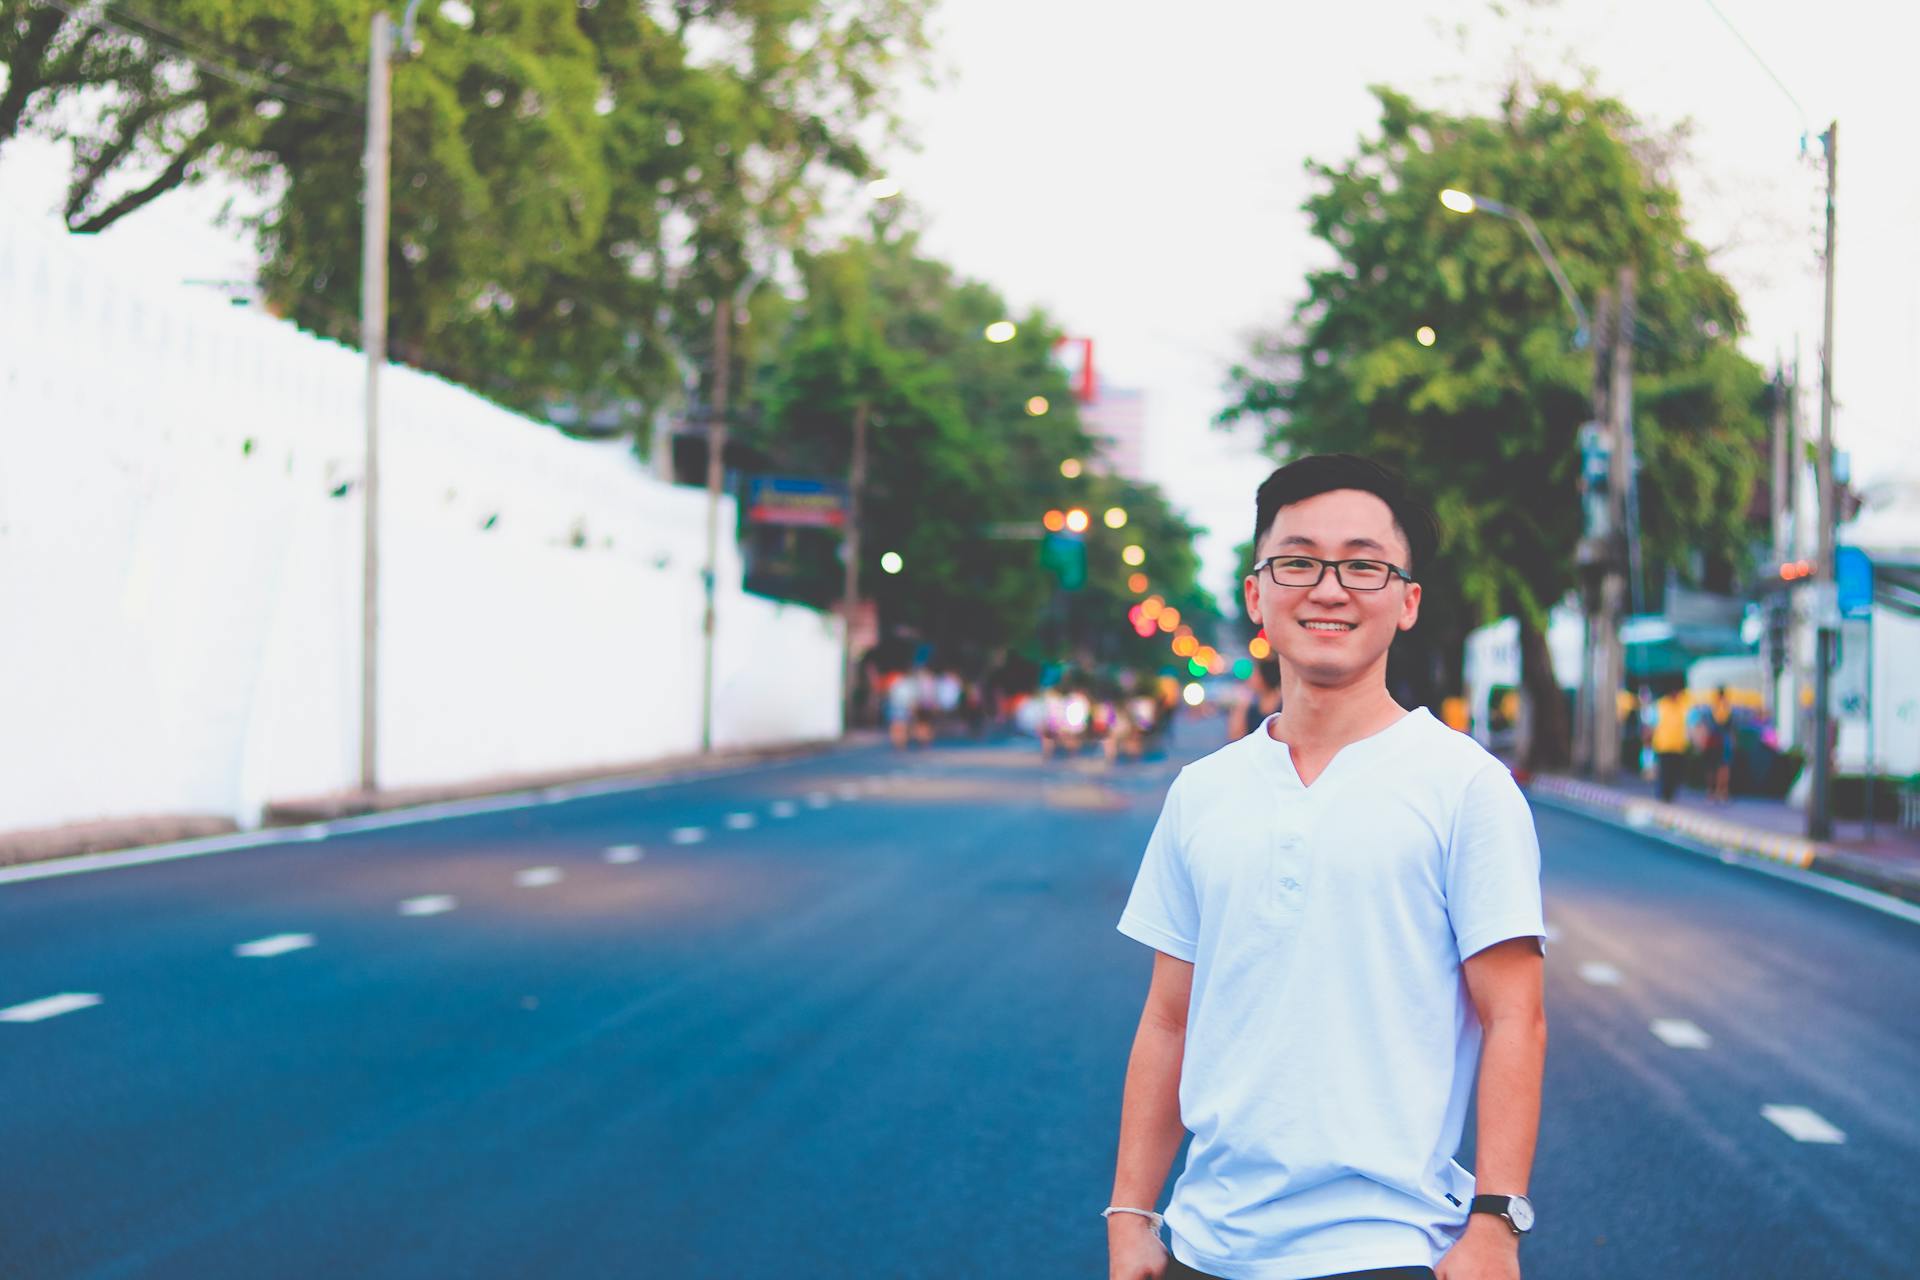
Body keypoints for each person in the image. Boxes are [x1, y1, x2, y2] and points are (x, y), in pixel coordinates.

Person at [1109, 454, 1546, 1280]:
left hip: (1385, 1248)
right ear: (1256, 594)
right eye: (1300, 560)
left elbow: (1515, 1018)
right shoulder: (1203, 792)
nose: (1329, 588)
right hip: (1206, 1246)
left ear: (1407, 600)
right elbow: (1170, 1019)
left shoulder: (1466, 788)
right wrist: (1131, 1211)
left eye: (1364, 564)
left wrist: (1496, 1220)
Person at [1647, 683, 1691, 803]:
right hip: (1664, 745)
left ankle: (1670, 794)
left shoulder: (1684, 705)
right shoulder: (1661, 705)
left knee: (1675, 772)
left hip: (1678, 746)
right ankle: (1663, 794)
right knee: (1665, 771)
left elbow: (1691, 722)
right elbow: (1652, 723)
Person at [1226, 657, 1284, 744]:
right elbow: (1236, 736)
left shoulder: (1284, 708)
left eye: (1255, 675)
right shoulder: (1252, 708)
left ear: (1265, 677)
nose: (1250, 679)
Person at [1707, 685, 1735, 804]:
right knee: (1723, 767)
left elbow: (1715, 724)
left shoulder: (1716, 706)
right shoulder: (1725, 706)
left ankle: (1718, 791)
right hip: (1722, 740)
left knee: (1718, 767)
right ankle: (1721, 791)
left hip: (1718, 740)